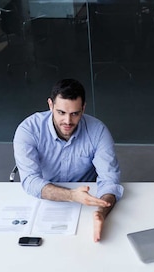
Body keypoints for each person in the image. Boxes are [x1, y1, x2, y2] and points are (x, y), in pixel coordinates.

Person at [13, 79, 124, 242]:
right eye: (61, 112)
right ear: (50, 105)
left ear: (83, 108)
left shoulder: (98, 131)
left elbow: (110, 180)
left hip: (87, 199)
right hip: (44, 199)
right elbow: (30, 181)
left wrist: (101, 211)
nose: (67, 121)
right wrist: (72, 196)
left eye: (75, 113)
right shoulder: (28, 130)